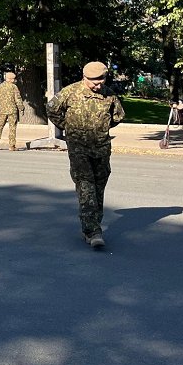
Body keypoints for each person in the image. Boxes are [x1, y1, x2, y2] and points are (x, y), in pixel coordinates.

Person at [46, 61, 126, 250]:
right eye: (94, 82)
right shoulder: (70, 92)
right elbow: (52, 110)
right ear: (84, 78)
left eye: (101, 80)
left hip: (101, 148)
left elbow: (118, 116)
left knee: (99, 186)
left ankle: (91, 224)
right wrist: (69, 128)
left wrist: (101, 128)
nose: (98, 85)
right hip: (79, 148)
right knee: (86, 186)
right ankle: (93, 231)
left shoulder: (109, 95)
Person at [0, 71, 24, 150]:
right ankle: (11, 145)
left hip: (2, 110)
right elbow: (18, 99)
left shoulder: (0, 87)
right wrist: (21, 108)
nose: (15, 80)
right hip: (12, 111)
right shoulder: (14, 87)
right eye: (14, 79)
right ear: (11, 79)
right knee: (12, 128)